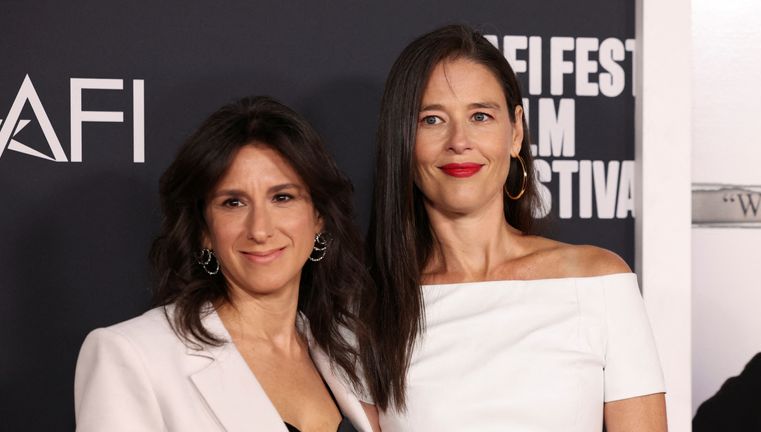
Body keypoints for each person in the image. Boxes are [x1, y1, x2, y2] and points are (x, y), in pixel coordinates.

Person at [357, 24, 667, 431]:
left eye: (480, 116)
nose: (459, 141)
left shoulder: (601, 282)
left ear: (515, 131)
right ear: (402, 138)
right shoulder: (367, 309)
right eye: (431, 119)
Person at [74, 96, 373, 432]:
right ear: (204, 230)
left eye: (282, 197)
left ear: (318, 217)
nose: (260, 229)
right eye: (233, 202)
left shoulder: (348, 351)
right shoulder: (132, 356)